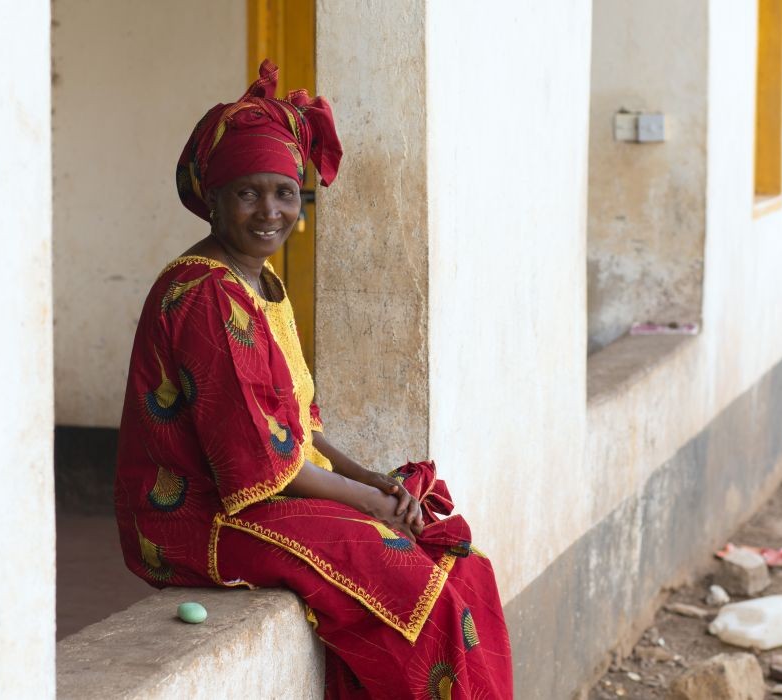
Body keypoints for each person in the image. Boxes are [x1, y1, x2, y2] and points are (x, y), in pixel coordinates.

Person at [114, 60, 513, 699]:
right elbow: (257, 463)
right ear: (212, 199)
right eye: (248, 193)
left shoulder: (259, 284)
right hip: (202, 518)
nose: (270, 210)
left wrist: (375, 480)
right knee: (412, 581)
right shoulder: (205, 296)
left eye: (285, 192)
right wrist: (378, 507)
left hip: (258, 494)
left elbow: (301, 429)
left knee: (451, 555)